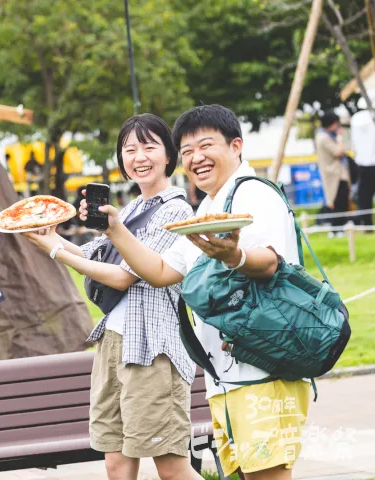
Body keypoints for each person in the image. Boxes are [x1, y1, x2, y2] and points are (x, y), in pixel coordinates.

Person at [86, 105, 310, 479]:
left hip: (263, 367)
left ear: (236, 146)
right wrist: (112, 229)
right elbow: (160, 271)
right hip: (225, 374)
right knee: (246, 474)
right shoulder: (206, 208)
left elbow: (270, 262)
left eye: (206, 146)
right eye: (187, 150)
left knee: (267, 475)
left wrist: (235, 255)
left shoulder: (254, 194)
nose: (196, 158)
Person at [23, 114, 201, 480]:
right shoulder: (133, 208)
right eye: (130, 149)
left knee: (171, 467)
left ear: (168, 155)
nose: (139, 156)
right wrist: (48, 236)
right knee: (116, 462)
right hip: (114, 341)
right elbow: (93, 255)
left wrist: (56, 252)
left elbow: (121, 277)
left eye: (149, 146)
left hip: (154, 347)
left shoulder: (177, 211)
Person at [315, 111, 350, 233]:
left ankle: (339, 230)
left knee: (342, 202)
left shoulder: (326, 136)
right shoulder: (323, 137)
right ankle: (336, 231)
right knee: (338, 202)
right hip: (333, 176)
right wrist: (340, 137)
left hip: (338, 175)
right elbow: (338, 152)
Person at [349, 91, 375, 229]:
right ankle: (367, 223)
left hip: (362, 164)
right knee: (365, 196)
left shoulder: (356, 118)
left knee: (365, 196)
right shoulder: (361, 118)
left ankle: (367, 223)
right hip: (366, 163)